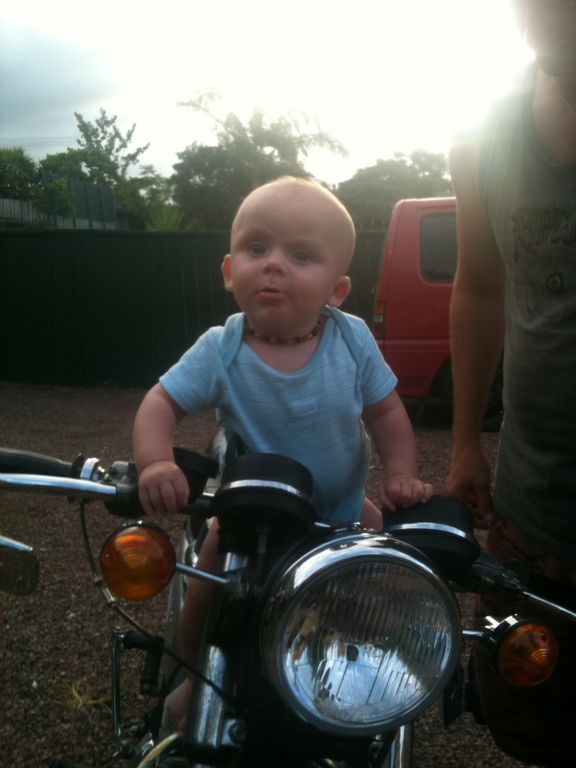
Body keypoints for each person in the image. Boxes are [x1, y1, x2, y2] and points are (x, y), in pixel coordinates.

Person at [132, 176, 433, 732]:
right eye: (257, 248)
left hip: (343, 511)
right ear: (230, 272)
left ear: (336, 290)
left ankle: (358, 684)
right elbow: (160, 403)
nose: (273, 264)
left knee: (382, 587)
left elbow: (387, 413)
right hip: (249, 519)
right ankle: (195, 680)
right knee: (205, 594)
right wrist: (155, 461)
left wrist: (401, 472)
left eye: (300, 255)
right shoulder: (221, 349)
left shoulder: (352, 340)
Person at [447, 1, 576, 764]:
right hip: (532, 511)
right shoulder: (484, 137)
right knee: (530, 713)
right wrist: (465, 440)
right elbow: (480, 287)